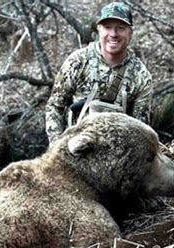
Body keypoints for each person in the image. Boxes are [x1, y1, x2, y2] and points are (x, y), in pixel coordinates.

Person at [45, 2, 152, 144]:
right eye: (107, 27)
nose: (113, 34)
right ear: (99, 30)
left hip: (117, 155)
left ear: (130, 32)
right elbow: (54, 107)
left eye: (120, 28)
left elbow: (141, 131)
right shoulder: (77, 62)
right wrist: (56, 147)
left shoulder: (141, 76)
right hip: (75, 150)